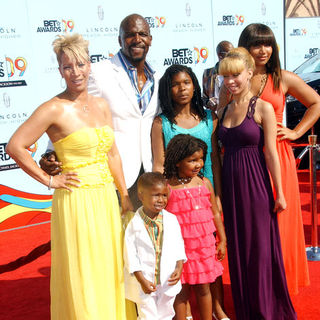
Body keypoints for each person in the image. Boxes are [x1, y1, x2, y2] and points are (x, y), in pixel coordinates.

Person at [6, 33, 133, 319]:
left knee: (109, 266)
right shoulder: (53, 108)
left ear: (90, 65)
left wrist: (124, 194)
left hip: (105, 198)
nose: (75, 72)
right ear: (60, 70)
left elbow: (112, 154)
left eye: (80, 64)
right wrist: (49, 180)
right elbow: (15, 146)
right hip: (76, 201)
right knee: (84, 269)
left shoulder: (101, 105)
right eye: (67, 66)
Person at [40, 13, 160, 209]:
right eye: (130, 35)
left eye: (143, 34)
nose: (137, 39)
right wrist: (50, 153)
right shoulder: (99, 72)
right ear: (119, 40)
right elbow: (75, 109)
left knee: (140, 237)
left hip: (147, 171)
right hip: (110, 174)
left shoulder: (158, 76)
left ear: (150, 39)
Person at [238, 23, 320, 295]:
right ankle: (259, 283)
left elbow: (316, 103)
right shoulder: (238, 78)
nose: (263, 50)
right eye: (256, 44)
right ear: (245, 47)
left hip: (278, 158)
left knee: (280, 220)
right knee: (255, 224)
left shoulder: (282, 78)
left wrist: (296, 131)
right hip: (247, 159)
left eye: (267, 44)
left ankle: (280, 284)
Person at [218, 47, 297, 319]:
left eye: (236, 75)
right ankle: (247, 309)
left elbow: (272, 153)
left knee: (261, 250)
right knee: (239, 249)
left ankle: (267, 310)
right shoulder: (224, 109)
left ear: (249, 73)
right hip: (230, 187)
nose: (231, 81)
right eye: (225, 76)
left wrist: (280, 193)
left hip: (256, 186)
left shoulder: (262, 107)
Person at [151, 64, 228, 320]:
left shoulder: (209, 117)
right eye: (175, 84)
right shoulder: (161, 123)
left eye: (186, 82)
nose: (181, 88)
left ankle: (217, 308)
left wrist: (217, 192)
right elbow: (158, 164)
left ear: (194, 85)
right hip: (177, 199)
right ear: (167, 89)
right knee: (182, 258)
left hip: (204, 193)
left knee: (208, 253)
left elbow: (215, 159)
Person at [163, 134, 227, 320]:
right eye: (192, 160)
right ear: (176, 162)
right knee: (180, 291)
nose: (198, 164)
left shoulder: (204, 183)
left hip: (203, 248)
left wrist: (222, 239)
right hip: (178, 250)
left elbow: (215, 213)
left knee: (204, 287)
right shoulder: (167, 187)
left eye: (200, 159)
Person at [123, 172, 187, 320]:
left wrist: (179, 267)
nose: (161, 200)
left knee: (167, 313)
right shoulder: (134, 224)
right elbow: (130, 256)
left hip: (167, 278)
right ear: (141, 196)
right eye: (156, 195)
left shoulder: (171, 220)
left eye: (164, 195)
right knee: (148, 315)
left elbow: (179, 245)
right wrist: (142, 280)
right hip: (145, 281)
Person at [202, 41, 233, 111]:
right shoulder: (207, 73)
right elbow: (204, 98)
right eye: (230, 54)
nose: (233, 57)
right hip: (214, 117)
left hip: (232, 115)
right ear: (220, 55)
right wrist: (208, 103)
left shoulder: (236, 74)